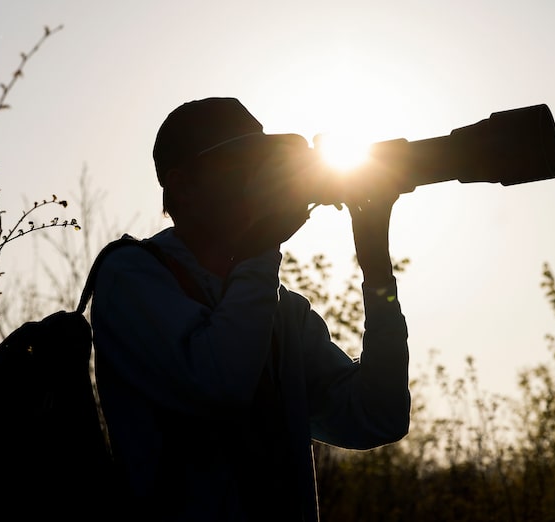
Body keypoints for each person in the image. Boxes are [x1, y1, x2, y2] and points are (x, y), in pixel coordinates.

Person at [90, 97, 410, 521]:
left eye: (263, 165)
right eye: (239, 165)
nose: (259, 182)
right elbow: (219, 381)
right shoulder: (131, 277)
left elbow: (379, 417)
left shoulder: (278, 310)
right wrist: (262, 245)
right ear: (182, 185)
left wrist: (376, 271)